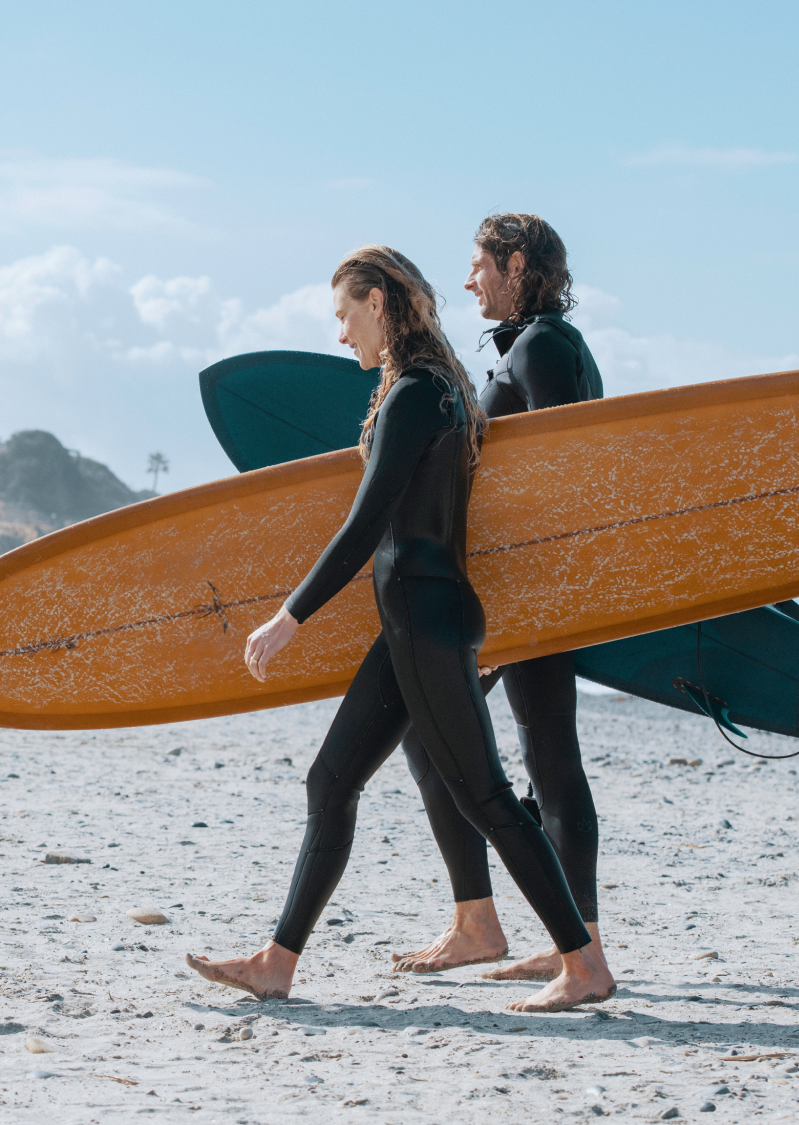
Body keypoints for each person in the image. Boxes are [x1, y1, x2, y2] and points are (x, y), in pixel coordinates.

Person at [184, 245, 614, 1013]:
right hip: (416, 619)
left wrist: (290, 617)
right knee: (332, 780)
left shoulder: (418, 392)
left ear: (379, 304)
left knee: (486, 795)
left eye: (346, 315)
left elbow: (367, 520)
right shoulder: (439, 387)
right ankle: (277, 961)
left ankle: (583, 962)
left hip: (427, 619)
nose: (342, 334)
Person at [390, 213, 609, 984]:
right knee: (545, 755)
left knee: (444, 732)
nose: (468, 279)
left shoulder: (545, 347)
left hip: (534, 591)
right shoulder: (539, 344)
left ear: (515, 264)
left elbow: (560, 471)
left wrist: (532, 616)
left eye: (478, 263)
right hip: (530, 589)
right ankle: (555, 933)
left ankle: (495, 924)